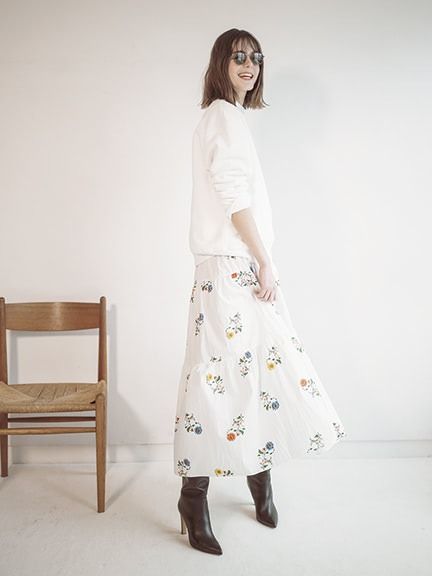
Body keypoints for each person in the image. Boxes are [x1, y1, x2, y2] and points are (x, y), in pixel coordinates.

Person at [173, 28, 346, 555]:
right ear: (220, 64)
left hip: (234, 266)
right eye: (237, 57)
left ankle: (258, 478)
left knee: (256, 373)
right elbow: (233, 197)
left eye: (255, 57)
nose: (248, 65)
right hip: (232, 266)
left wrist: (259, 261)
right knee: (223, 379)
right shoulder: (223, 116)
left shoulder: (229, 118)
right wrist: (264, 260)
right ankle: (194, 497)